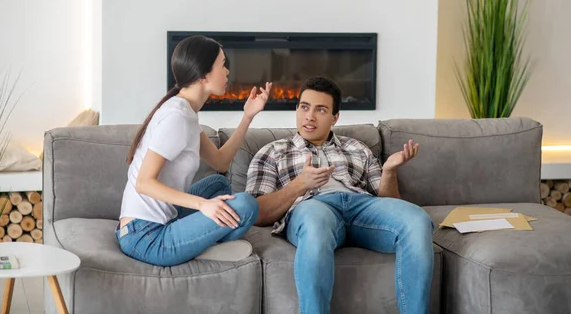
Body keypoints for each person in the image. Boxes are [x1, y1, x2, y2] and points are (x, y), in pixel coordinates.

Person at [245, 76, 434, 314]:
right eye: (304, 107)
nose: (309, 116)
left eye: (320, 110)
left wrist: (389, 171)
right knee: (315, 224)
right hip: (312, 207)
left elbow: (390, 205)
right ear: (297, 109)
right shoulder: (273, 151)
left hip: (361, 206)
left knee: (417, 220)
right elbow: (257, 212)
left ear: (335, 117)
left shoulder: (357, 148)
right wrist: (300, 185)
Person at [117, 35, 272, 267]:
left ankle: (196, 241)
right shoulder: (177, 117)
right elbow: (144, 183)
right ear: (203, 75)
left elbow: (220, 163)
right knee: (246, 205)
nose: (228, 71)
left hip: (155, 222)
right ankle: (200, 246)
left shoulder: (186, 111)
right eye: (222, 64)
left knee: (218, 186)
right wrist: (203, 205)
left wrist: (248, 116)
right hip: (145, 236)